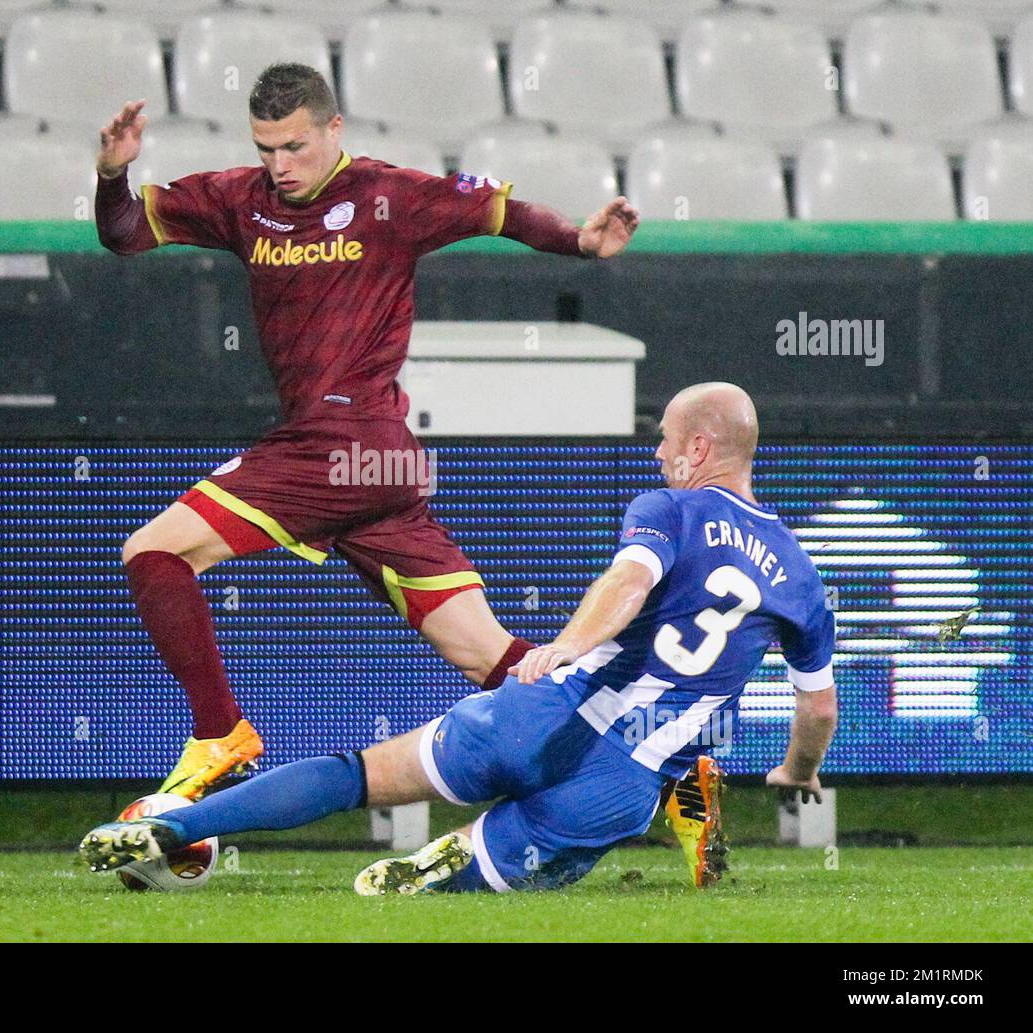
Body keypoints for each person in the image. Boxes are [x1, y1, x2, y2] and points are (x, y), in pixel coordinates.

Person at [93, 61, 640, 799]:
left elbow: (500, 214)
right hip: (376, 471)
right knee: (490, 656)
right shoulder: (238, 200)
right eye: (266, 149)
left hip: (342, 449)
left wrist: (578, 240)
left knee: (153, 550)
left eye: (294, 146)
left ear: (333, 129)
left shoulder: (391, 195)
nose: (279, 166)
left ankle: (219, 731)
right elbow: (124, 232)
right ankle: (649, 767)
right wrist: (110, 176)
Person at [80, 383, 839, 893]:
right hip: (620, 786)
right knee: (468, 880)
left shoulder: (671, 508)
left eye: (667, 440)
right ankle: (446, 864)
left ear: (700, 449)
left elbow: (628, 582)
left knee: (357, 774)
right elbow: (818, 713)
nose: (658, 454)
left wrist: (568, 646)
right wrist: (794, 773)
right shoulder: (801, 576)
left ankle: (174, 824)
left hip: (535, 715)